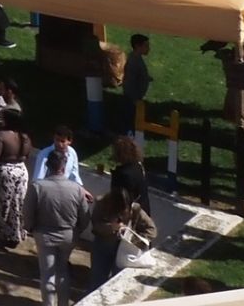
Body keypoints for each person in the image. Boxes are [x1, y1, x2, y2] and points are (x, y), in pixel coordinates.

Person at [26, 148, 91, 306]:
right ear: (64, 166)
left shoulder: (37, 187)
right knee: (63, 272)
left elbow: (27, 212)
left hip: (44, 235)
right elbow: (85, 215)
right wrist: (76, 231)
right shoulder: (76, 189)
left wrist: (30, 228)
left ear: (48, 166)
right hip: (68, 236)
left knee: (48, 274)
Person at [90, 136, 152, 285]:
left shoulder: (122, 175)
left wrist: (115, 224)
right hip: (136, 221)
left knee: (103, 269)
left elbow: (119, 202)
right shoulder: (139, 167)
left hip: (120, 225)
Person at [0, 108, 33, 246]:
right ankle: (14, 234)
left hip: (4, 172)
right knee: (17, 204)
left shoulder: (2, 136)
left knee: (0, 204)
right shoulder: (25, 137)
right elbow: (27, 155)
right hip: (21, 171)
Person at [123, 33, 153, 136]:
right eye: (146, 46)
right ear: (137, 46)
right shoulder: (133, 61)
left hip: (136, 97)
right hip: (133, 99)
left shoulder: (137, 58)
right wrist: (134, 98)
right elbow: (129, 81)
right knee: (131, 121)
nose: (148, 48)